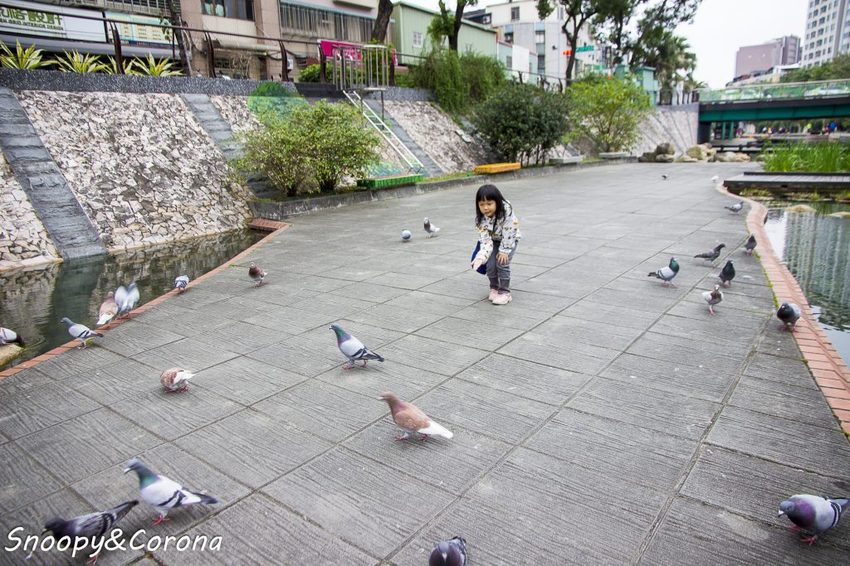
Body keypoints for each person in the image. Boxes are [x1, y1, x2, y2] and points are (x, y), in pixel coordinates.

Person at [471, 184, 521, 305]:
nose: (486, 208)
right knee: (490, 265)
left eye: (489, 203)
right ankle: (494, 287)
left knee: (502, 263)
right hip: (493, 241)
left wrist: (504, 251)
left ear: (497, 202)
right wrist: (481, 256)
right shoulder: (480, 220)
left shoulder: (506, 213)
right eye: (482, 204)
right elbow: (486, 241)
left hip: (509, 240)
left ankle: (505, 292)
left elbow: (510, 232)